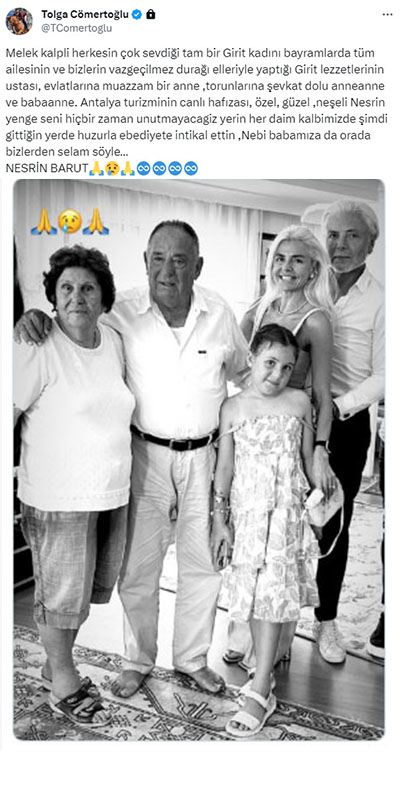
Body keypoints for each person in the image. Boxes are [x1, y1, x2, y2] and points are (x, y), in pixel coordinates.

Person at [15, 220, 249, 697]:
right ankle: (137, 661)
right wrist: (32, 316)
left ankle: (191, 659)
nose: (167, 270)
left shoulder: (220, 313)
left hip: (204, 457)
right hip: (144, 455)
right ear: (144, 262)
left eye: (180, 260)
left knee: (203, 565)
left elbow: (246, 376)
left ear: (198, 266)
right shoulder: (119, 312)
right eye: (157, 259)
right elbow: (70, 319)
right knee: (139, 568)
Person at [13, 245, 135, 726]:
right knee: (61, 598)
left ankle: (54, 662)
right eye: (66, 288)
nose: (76, 297)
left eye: (87, 288)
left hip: (109, 492)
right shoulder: (36, 345)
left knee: (82, 596)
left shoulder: (113, 342)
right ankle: (63, 679)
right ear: (52, 296)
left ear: (104, 298)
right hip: (58, 496)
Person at [224, 225, 335, 667]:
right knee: (249, 538)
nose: (287, 267)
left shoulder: (317, 320)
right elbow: (236, 364)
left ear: (313, 269)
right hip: (253, 437)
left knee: (283, 547)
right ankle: (242, 629)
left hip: (293, 436)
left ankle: (278, 644)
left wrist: (321, 449)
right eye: (280, 259)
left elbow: (322, 393)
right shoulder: (257, 309)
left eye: (298, 260)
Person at [211, 324, 320, 737]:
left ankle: (260, 688)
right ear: (252, 359)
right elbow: (224, 468)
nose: (277, 375)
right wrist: (220, 519)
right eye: (270, 363)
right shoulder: (233, 408)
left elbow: (307, 460)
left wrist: (321, 503)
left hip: (286, 518)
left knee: (274, 595)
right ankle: (264, 677)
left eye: (287, 367)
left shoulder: (299, 402)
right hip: (249, 516)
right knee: (256, 596)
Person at [313, 200, 384, 663]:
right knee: (278, 515)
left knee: (332, 524)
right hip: (296, 416)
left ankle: (326, 621)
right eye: (333, 235)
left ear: (370, 244)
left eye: (351, 235)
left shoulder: (383, 301)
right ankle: (261, 622)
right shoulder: (309, 280)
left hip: (346, 422)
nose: (339, 245)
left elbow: (386, 374)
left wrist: (338, 407)